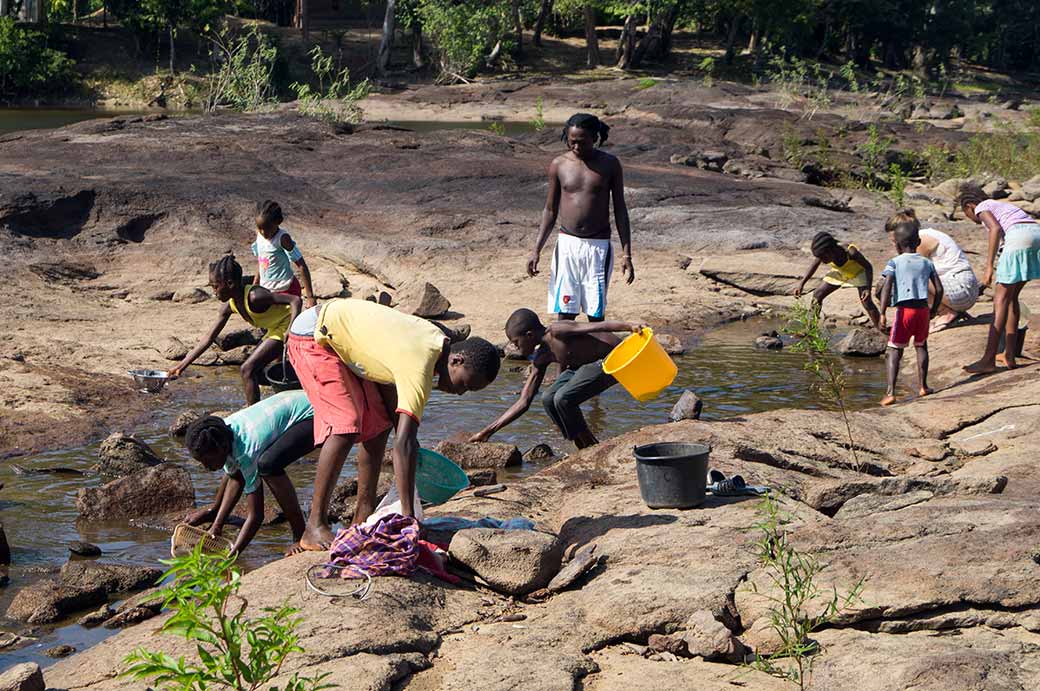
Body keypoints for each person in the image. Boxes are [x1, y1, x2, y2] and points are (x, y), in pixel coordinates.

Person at [286, 299, 501, 550]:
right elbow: (404, 445)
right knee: (347, 424)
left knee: (379, 424)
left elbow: (390, 385)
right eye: (464, 384)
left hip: (344, 336)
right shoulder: (421, 363)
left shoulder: (436, 343)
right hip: (313, 335)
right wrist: (409, 518)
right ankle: (314, 526)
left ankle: (363, 516)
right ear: (457, 361)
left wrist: (402, 431)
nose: (461, 393)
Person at [469, 308, 644, 449]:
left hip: (614, 359)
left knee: (563, 398)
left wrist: (630, 326)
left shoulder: (558, 331)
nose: (514, 347)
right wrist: (487, 432)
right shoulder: (541, 357)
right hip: (584, 365)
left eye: (516, 342)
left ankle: (591, 447)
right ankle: (580, 444)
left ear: (529, 335)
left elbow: (600, 326)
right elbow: (523, 401)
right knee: (547, 398)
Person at [527, 113, 634, 322]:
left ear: (595, 138)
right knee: (565, 313)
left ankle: (598, 354)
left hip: (598, 247)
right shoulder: (559, 164)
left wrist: (626, 254)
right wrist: (536, 250)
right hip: (567, 245)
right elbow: (550, 210)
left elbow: (620, 209)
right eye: (572, 142)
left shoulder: (610, 165)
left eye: (582, 142)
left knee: (596, 314)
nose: (576, 147)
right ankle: (565, 354)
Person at [182, 390, 315, 555]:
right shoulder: (220, 432)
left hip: (314, 412)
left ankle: (299, 535)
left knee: (269, 466)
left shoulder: (247, 451)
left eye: (207, 461)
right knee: (264, 463)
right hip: (295, 400)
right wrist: (216, 520)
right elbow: (235, 477)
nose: (206, 467)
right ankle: (299, 532)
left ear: (222, 449)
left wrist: (234, 554)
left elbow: (256, 516)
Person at [168, 255, 301, 405]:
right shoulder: (229, 305)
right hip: (274, 329)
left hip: (288, 326)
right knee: (256, 372)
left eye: (216, 286)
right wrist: (181, 366)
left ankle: (253, 412)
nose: (214, 292)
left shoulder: (255, 296)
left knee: (247, 369)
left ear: (230, 283)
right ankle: (289, 392)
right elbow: (208, 338)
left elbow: (295, 300)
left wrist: (291, 329)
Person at [958, 183, 1040, 373]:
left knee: (1000, 299)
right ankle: (1009, 355)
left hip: (1019, 238)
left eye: (967, 214)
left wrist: (988, 268)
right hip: (1036, 235)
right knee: (1011, 299)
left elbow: (994, 228)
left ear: (970, 206)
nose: (971, 218)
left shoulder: (982, 207)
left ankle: (988, 359)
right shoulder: (1002, 205)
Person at [882, 209, 979, 332]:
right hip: (965, 290)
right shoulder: (924, 235)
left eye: (894, 241)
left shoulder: (922, 240)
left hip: (960, 291)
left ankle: (945, 312)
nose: (894, 244)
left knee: (908, 275)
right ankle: (949, 310)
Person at [878, 223, 943, 406]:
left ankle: (890, 392)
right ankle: (923, 386)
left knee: (894, 349)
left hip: (904, 311)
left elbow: (887, 286)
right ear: (919, 242)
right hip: (922, 310)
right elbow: (938, 289)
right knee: (921, 346)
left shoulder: (895, 262)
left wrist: (882, 312)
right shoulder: (927, 262)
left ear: (897, 244)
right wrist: (934, 309)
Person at [795, 232, 881, 329]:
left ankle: (880, 329)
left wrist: (867, 289)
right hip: (840, 272)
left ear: (832, 250)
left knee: (866, 302)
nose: (822, 261)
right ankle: (810, 328)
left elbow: (868, 267)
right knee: (817, 294)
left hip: (858, 272)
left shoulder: (851, 252)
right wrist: (801, 284)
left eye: (824, 258)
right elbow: (813, 266)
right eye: (820, 258)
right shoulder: (823, 252)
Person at [252, 200, 316, 309]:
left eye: (266, 229)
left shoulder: (282, 238)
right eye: (260, 228)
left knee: (287, 324)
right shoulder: (260, 236)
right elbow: (261, 261)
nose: (263, 232)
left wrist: (310, 297)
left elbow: (301, 265)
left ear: (277, 223)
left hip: (286, 290)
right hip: (267, 290)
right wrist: (255, 283)